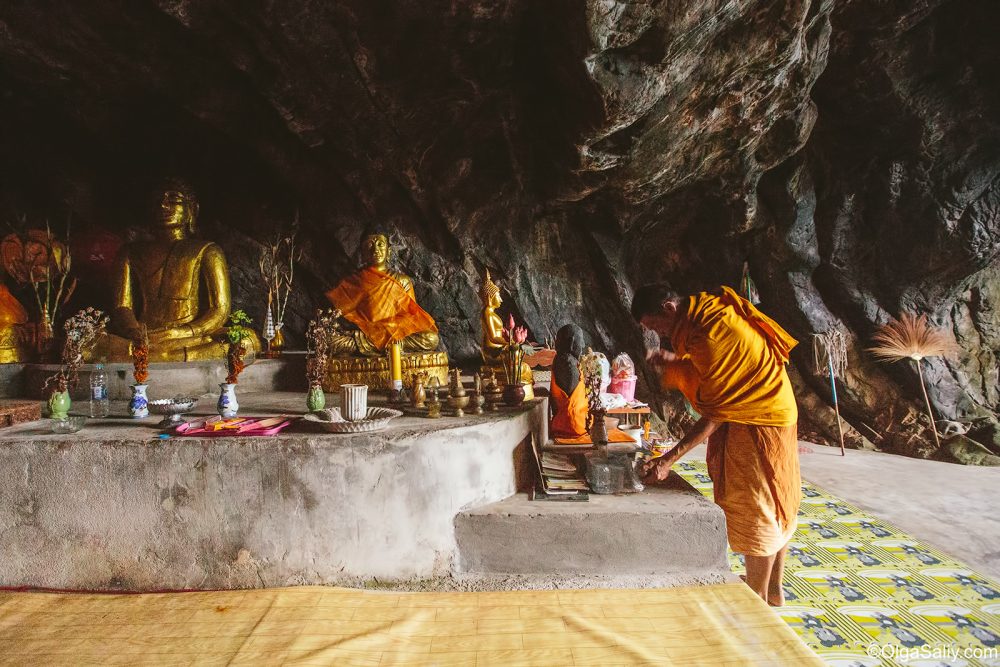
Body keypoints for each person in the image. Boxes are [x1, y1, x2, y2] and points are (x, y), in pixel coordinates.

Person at [631, 283, 800, 606]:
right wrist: (675, 362)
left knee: (757, 508)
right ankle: (775, 591)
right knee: (778, 501)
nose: (660, 335)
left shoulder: (709, 333)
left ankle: (758, 596)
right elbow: (718, 372)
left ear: (669, 308)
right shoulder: (706, 313)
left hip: (757, 420)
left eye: (656, 326)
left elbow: (716, 413)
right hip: (775, 409)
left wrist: (668, 460)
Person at [326, 233, 439, 355]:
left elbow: (411, 315)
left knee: (431, 338)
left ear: (388, 252)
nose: (376, 250)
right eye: (370, 245)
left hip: (394, 332)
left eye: (381, 244)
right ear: (363, 254)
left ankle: (385, 345)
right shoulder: (354, 282)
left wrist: (387, 327)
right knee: (329, 341)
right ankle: (388, 346)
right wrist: (369, 329)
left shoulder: (401, 280)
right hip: (367, 334)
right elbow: (341, 316)